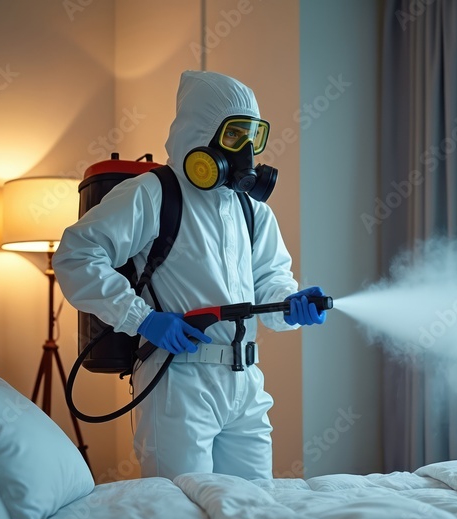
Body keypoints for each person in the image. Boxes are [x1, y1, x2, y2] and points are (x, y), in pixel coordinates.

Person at [53, 70, 326, 480]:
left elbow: (270, 282)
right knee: (183, 518)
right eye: (235, 136)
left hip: (246, 382)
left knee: (255, 510)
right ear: (201, 133)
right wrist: (142, 319)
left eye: (254, 136)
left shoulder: (254, 212)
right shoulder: (152, 193)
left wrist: (290, 306)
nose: (246, 151)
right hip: (177, 379)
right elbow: (76, 255)